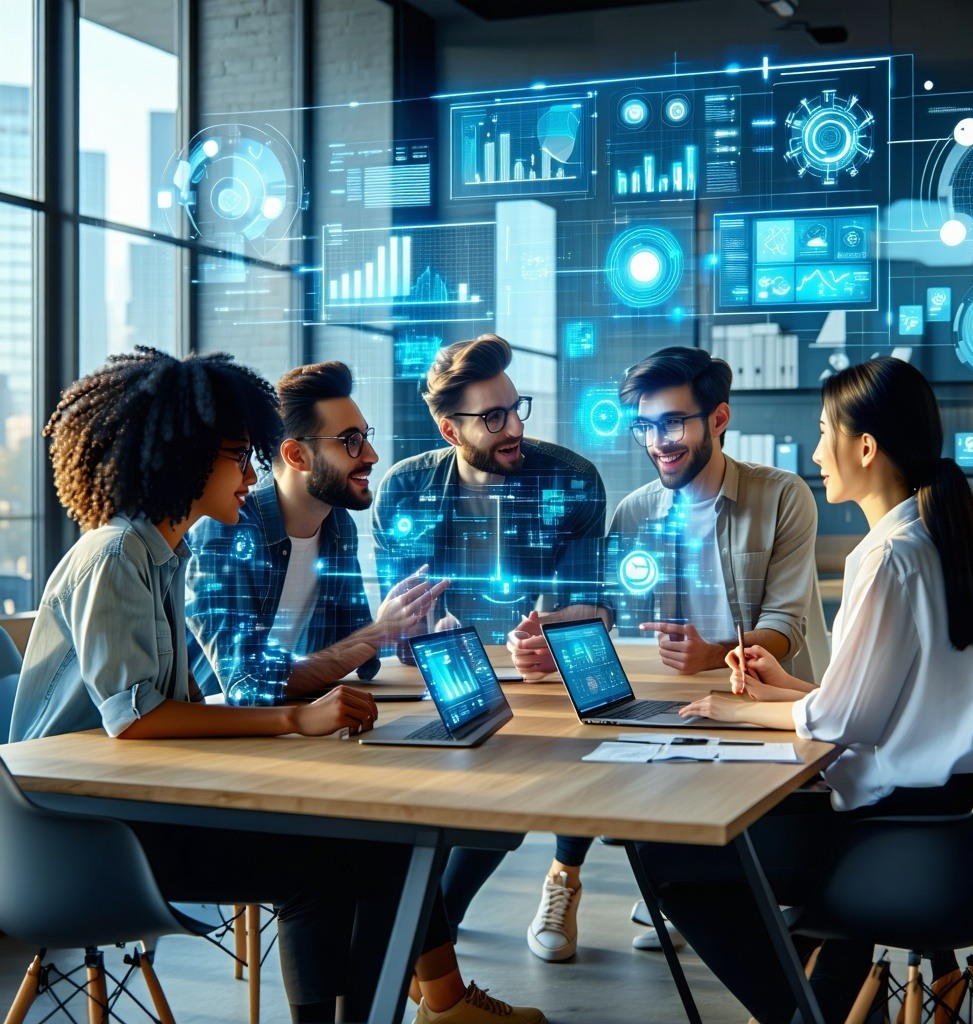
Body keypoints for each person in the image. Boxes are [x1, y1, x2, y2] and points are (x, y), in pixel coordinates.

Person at [11, 347, 546, 1024]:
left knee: (383, 841)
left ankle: (427, 1007)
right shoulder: (117, 554)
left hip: (149, 798)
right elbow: (139, 718)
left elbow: (177, 708)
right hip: (80, 837)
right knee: (330, 865)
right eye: (239, 456)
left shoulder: (163, 555)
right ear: (185, 457)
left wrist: (386, 641)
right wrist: (297, 719)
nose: (250, 472)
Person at [636, 357, 973, 1024]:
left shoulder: (887, 555)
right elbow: (889, 700)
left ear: (864, 447)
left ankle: (802, 1012)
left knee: (667, 855)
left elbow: (844, 721)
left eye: (823, 432)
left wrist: (731, 707)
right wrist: (791, 688)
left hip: (898, 828)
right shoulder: (931, 537)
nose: (816, 452)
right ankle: (825, 995)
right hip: (951, 819)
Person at [511, 345, 818, 962]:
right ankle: (564, 879)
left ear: (719, 419)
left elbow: (787, 627)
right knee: (588, 734)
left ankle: (680, 884)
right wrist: (553, 634)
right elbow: (610, 611)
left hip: (766, 708)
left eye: (674, 421)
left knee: (694, 845)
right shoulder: (634, 512)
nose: (658, 441)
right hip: (675, 704)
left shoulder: (783, 496)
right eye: (646, 426)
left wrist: (715, 653)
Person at [371, 333, 608, 938]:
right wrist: (426, 631)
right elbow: (396, 620)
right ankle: (429, 937)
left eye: (515, 408)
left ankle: (561, 875)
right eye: (494, 417)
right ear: (451, 432)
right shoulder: (405, 490)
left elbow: (591, 605)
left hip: (542, 676)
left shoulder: (572, 480)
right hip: (449, 677)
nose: (514, 429)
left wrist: (553, 633)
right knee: (456, 794)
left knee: (585, 717)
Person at [186, 360, 446, 704]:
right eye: (350, 441)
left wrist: (402, 631)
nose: (371, 455)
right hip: (223, 731)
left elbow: (360, 656)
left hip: (299, 715)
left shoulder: (338, 525)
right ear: (297, 456)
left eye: (365, 437)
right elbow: (247, 685)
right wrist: (375, 634)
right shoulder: (227, 532)